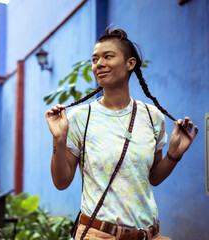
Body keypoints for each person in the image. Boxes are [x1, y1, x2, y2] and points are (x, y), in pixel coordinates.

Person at [45, 26, 198, 240]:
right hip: (99, 234)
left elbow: (152, 177)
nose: (99, 64)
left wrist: (174, 155)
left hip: (148, 234)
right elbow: (61, 182)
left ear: (130, 63)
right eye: (95, 59)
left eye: (108, 56)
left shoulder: (152, 116)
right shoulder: (81, 117)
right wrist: (58, 140)